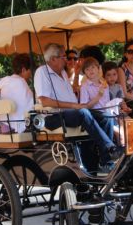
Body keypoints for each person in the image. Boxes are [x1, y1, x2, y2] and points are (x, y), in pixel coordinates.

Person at [33, 43, 122, 173]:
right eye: (64, 57)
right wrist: (74, 105)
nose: (68, 60)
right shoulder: (42, 72)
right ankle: (109, 148)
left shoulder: (63, 73)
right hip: (53, 117)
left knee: (106, 118)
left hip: (73, 113)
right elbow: (45, 101)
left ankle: (105, 162)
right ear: (53, 59)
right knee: (83, 112)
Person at [0, 54, 33, 134]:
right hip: (17, 128)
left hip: (4, 125)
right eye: (30, 70)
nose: (31, 73)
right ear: (23, 70)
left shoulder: (4, 81)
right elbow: (31, 104)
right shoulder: (21, 82)